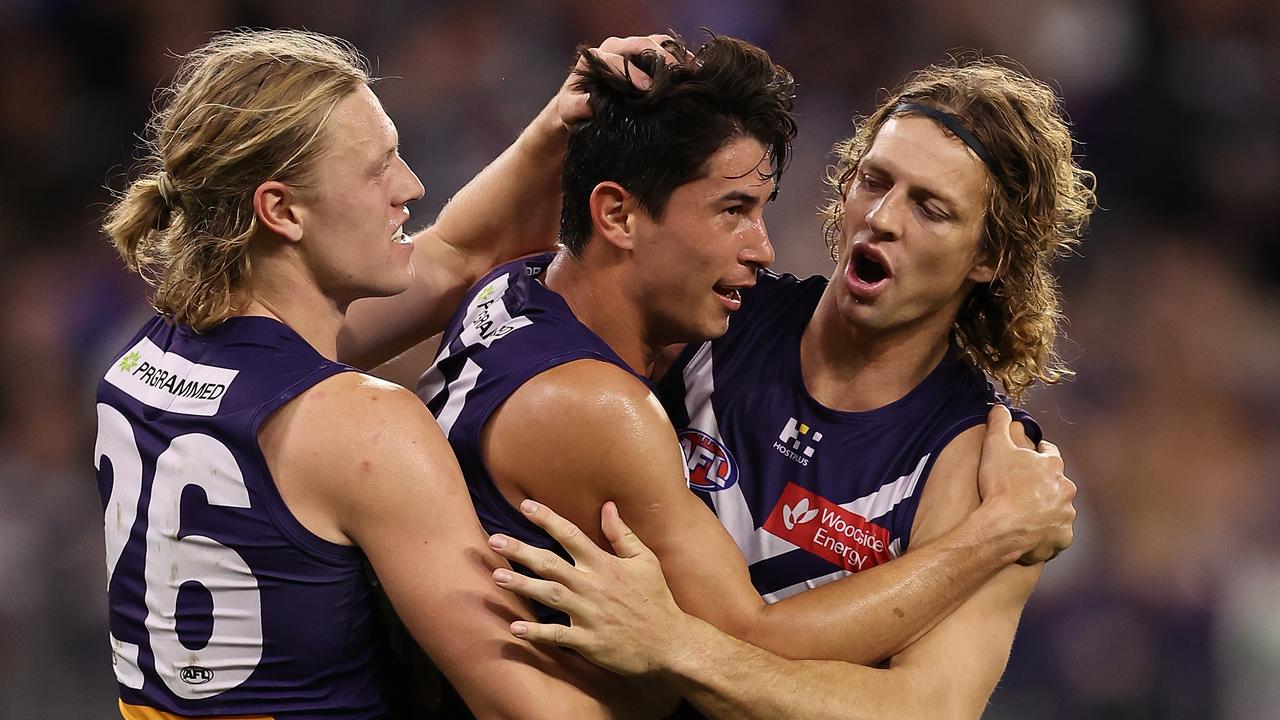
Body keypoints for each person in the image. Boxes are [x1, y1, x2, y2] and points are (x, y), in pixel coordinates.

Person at [404, 31, 1075, 696]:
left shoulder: (994, 472)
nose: (883, 218)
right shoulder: (704, 316)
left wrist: (675, 648)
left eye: (931, 208)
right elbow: (530, 263)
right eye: (873, 181)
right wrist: (563, 123)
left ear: (990, 259)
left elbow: (921, 710)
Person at [94, 28, 678, 720]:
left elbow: (461, 254)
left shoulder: (148, 357)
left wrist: (559, 122)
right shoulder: (363, 427)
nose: (411, 187)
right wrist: (674, 655)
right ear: (280, 210)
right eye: (378, 170)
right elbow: (528, 709)